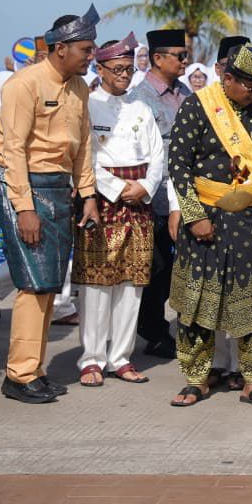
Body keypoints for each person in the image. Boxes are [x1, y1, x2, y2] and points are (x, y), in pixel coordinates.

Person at [167, 43, 252, 409]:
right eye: (250, 86)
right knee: (197, 305)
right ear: (227, 78)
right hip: (205, 223)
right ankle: (197, 378)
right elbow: (178, 166)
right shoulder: (198, 105)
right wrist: (194, 216)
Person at [0, 5, 101, 403]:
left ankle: (34, 371)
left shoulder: (80, 87)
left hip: (58, 188)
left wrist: (87, 193)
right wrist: (24, 208)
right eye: (86, 49)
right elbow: (13, 151)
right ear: (60, 49)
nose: (91, 56)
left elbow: (84, 144)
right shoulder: (24, 84)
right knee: (33, 284)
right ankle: (18, 375)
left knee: (50, 283)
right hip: (23, 185)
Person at [72, 33, 167, 387]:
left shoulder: (140, 108)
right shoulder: (88, 105)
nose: (124, 76)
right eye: (117, 69)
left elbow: (158, 154)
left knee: (132, 285)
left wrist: (145, 187)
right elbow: (84, 156)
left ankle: (121, 357)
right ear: (100, 69)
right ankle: (92, 359)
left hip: (139, 202)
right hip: (103, 201)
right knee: (97, 284)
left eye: (129, 69)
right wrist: (113, 188)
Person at [129, 28, 191, 359]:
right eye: (179, 56)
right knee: (155, 270)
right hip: (152, 197)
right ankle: (152, 332)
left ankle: (181, 328)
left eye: (185, 55)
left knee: (179, 267)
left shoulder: (184, 93)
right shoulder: (139, 97)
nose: (185, 61)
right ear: (157, 58)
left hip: (183, 195)